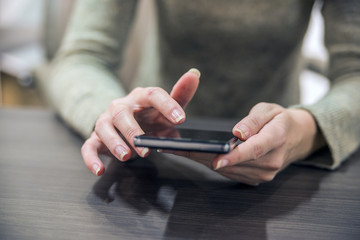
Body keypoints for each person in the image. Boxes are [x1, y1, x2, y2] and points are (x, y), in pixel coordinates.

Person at [42, 0, 360, 185]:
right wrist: (112, 117)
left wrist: (306, 130)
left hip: (282, 159)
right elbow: (81, 57)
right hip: (154, 159)